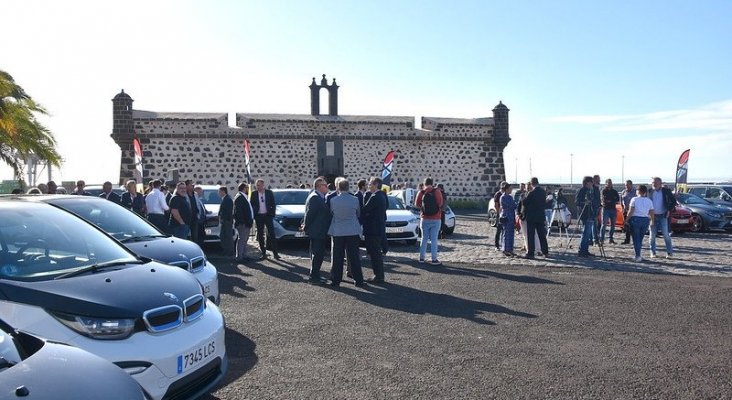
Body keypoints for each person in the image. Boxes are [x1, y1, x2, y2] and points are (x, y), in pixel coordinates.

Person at [327, 178, 366, 288]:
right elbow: (358, 213)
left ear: (338, 188)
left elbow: (331, 213)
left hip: (338, 231)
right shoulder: (355, 200)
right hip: (352, 230)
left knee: (337, 257)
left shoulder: (333, 200)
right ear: (348, 187)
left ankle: (335, 280)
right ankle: (358, 280)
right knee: (354, 257)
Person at [302, 177, 331, 284]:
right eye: (325, 185)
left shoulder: (320, 197)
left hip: (320, 230)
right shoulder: (315, 197)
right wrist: (306, 226)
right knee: (317, 254)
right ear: (319, 186)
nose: (327, 187)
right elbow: (309, 214)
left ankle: (316, 275)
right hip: (317, 231)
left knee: (318, 254)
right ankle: (314, 277)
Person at [362, 177, 387, 283]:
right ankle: (379, 275)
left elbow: (365, 209)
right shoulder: (381, 195)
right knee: (376, 253)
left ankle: (378, 276)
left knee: (375, 254)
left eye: (370, 184)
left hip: (373, 229)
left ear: (376, 184)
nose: (368, 186)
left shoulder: (375, 196)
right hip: (378, 228)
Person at [415, 177, 444, 265]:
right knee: (434, 239)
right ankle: (434, 259)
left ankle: (421, 258)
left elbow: (416, 204)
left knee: (424, 239)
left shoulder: (421, 192)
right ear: (432, 183)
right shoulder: (437, 191)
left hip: (424, 218)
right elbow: (440, 203)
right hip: (436, 218)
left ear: (424, 183)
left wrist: (423, 208)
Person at [250, 178, 279, 259]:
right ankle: (263, 253)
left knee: (271, 234)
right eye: (256, 185)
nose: (258, 187)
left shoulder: (269, 193)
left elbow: (273, 204)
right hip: (259, 216)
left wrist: (272, 213)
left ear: (263, 185)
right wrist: (254, 214)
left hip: (268, 215)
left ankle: (275, 253)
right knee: (260, 234)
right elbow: (252, 205)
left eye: (259, 185)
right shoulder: (254, 194)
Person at [648, 177, 677, 258]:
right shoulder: (649, 191)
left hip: (663, 215)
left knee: (666, 234)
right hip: (652, 216)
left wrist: (668, 210)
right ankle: (653, 252)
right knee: (652, 235)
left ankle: (669, 252)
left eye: (656, 182)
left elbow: (673, 201)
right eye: (653, 182)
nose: (654, 184)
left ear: (660, 183)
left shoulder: (666, 191)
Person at [625, 184, 654, 262]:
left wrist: (626, 220)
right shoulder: (649, 201)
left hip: (635, 219)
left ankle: (637, 255)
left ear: (638, 191)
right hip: (645, 220)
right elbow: (651, 212)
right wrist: (652, 221)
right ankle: (638, 254)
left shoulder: (634, 199)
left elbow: (631, 211)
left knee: (636, 238)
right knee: (640, 239)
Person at [522, 177, 549, 258]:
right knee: (542, 235)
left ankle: (531, 253)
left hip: (532, 217)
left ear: (531, 183)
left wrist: (523, 198)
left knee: (531, 235)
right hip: (540, 216)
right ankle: (545, 252)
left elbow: (525, 203)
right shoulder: (543, 192)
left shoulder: (531, 193)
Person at [575, 176, 599, 257]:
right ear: (587, 182)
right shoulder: (581, 190)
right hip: (585, 214)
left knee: (588, 234)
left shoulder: (591, 190)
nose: (592, 183)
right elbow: (577, 202)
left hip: (591, 213)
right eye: (591, 182)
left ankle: (585, 250)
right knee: (585, 233)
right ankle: (582, 251)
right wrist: (584, 202)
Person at [233, 183, 254, 262]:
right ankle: (239, 257)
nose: (248, 189)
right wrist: (242, 222)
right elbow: (238, 212)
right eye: (247, 188)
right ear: (244, 188)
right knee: (241, 239)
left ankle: (244, 255)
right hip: (243, 223)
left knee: (244, 240)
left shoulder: (243, 197)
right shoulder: (239, 197)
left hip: (246, 222)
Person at [499, 182, 517, 256]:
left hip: (511, 216)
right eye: (510, 189)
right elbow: (510, 205)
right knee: (506, 233)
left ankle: (510, 249)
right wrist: (513, 205)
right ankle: (505, 249)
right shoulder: (503, 197)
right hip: (506, 216)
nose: (511, 190)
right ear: (506, 189)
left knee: (511, 233)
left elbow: (514, 205)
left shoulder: (510, 197)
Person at [600, 178, 620, 244]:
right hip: (606, 209)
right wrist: (611, 199)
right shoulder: (604, 191)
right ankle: (601, 239)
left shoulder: (614, 191)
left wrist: (611, 200)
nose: (609, 184)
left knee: (613, 225)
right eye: (608, 183)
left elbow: (617, 199)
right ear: (606, 183)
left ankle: (610, 239)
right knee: (604, 225)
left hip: (613, 209)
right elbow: (604, 199)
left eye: (610, 182)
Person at [218, 186, 235, 257]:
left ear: (223, 191)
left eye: (219, 192)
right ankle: (226, 250)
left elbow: (228, 211)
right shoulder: (225, 199)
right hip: (225, 221)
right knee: (223, 236)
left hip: (227, 221)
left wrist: (224, 219)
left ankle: (230, 251)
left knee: (228, 236)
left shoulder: (228, 199)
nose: (219, 193)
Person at [620, 180, 636, 245]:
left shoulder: (635, 192)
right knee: (627, 226)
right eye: (626, 185)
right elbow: (621, 201)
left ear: (631, 184)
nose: (627, 186)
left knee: (634, 227)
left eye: (628, 185)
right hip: (626, 211)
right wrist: (623, 208)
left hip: (633, 212)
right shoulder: (623, 192)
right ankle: (627, 240)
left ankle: (635, 240)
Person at [185, 180, 201, 244]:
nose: (193, 186)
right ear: (187, 186)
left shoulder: (195, 194)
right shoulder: (184, 194)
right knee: (186, 235)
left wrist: (198, 215)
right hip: (187, 218)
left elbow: (198, 204)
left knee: (195, 235)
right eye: (191, 185)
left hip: (195, 217)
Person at [492, 185, 504, 250]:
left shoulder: (505, 194)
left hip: (504, 214)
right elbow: (496, 205)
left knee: (504, 231)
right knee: (498, 230)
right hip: (499, 214)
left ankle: (503, 244)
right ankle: (496, 245)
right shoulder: (498, 194)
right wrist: (499, 213)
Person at [591, 175, 602, 245]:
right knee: (594, 224)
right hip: (592, 208)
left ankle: (593, 239)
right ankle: (595, 239)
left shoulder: (597, 188)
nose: (599, 181)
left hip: (597, 207)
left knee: (595, 224)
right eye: (598, 179)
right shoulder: (592, 188)